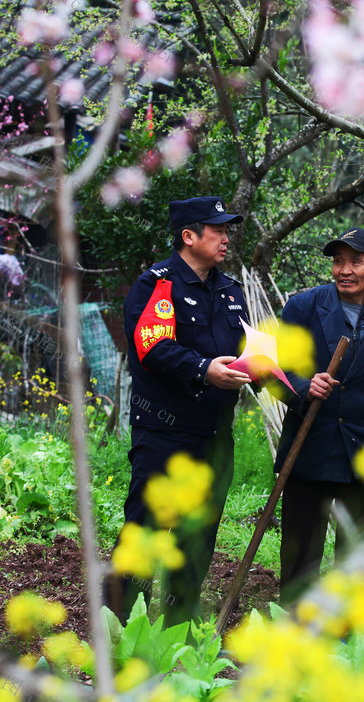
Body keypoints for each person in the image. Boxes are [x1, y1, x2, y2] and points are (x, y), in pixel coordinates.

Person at [114, 195, 252, 624]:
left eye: (228, 230)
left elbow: (243, 349)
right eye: (218, 230)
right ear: (188, 236)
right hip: (164, 434)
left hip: (214, 436)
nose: (226, 238)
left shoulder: (230, 291)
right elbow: (152, 346)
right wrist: (203, 369)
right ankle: (115, 629)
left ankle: (176, 634)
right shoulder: (159, 284)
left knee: (197, 540)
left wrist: (263, 367)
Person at [275, 227, 364, 600]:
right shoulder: (302, 308)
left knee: (356, 557)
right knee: (300, 553)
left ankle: (348, 640)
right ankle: (296, 632)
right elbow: (272, 372)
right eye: (338, 261)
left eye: (355, 261)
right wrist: (305, 388)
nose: (344, 270)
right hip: (310, 447)